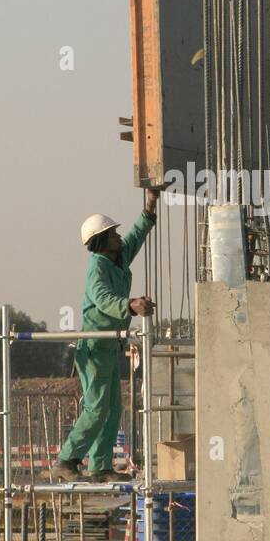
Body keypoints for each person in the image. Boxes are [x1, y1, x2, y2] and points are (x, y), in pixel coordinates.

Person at [53, 190, 160, 483]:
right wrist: (129, 304)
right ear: (101, 241)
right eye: (112, 233)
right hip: (95, 346)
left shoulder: (118, 259)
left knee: (112, 409)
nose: (118, 236)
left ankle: (100, 466)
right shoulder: (97, 266)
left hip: (111, 344)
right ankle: (67, 459)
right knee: (97, 406)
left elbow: (137, 236)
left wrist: (150, 206)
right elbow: (102, 297)